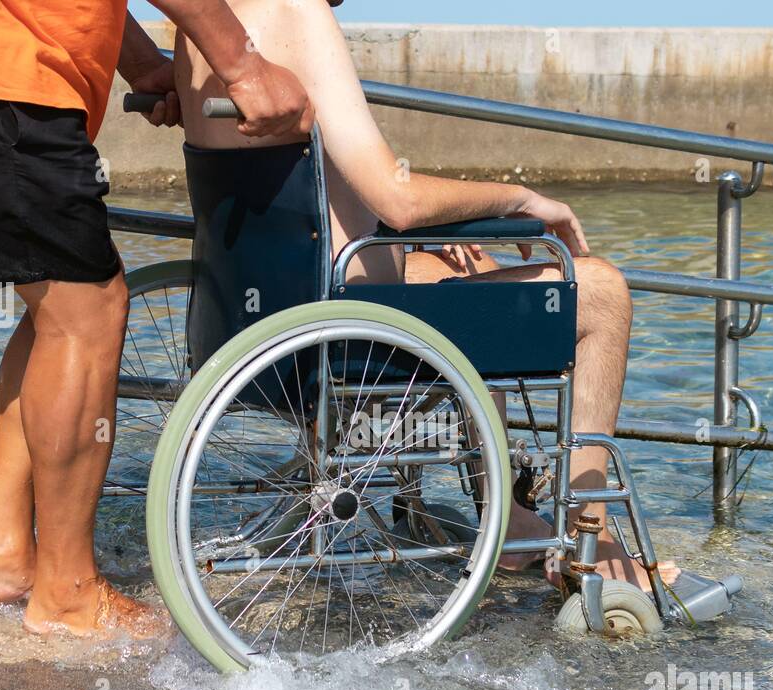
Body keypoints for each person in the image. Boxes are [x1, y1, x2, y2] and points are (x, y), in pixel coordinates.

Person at [0, 0, 314, 634]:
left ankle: (1, 555)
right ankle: (68, 595)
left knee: (57, 307)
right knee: (89, 312)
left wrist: (141, 63)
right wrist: (245, 69)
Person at [170, 0, 678, 590]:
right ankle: (593, 539)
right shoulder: (299, 13)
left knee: (474, 268)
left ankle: (508, 521)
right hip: (348, 339)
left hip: (255, 329)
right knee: (602, 292)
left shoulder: (203, 31)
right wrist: (521, 199)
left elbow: (309, 201)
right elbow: (399, 199)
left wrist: (426, 245)